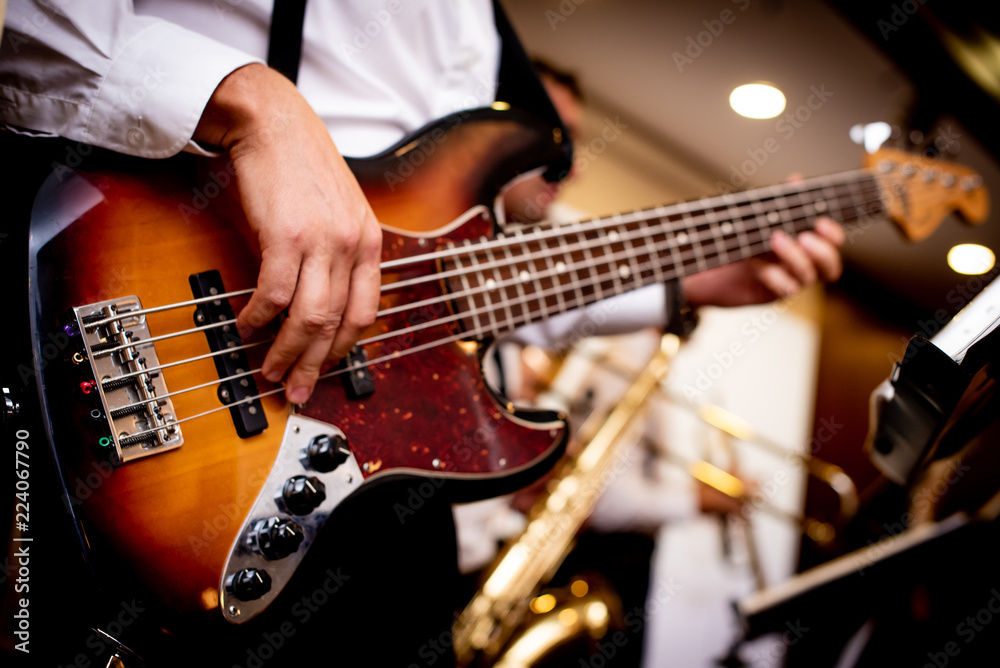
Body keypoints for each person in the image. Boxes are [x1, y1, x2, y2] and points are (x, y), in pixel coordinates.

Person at [0, 2, 843, 665]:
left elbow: (439, 279)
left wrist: (683, 283)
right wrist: (253, 105)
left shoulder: (482, 26)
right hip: (129, 280)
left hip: (377, 486)